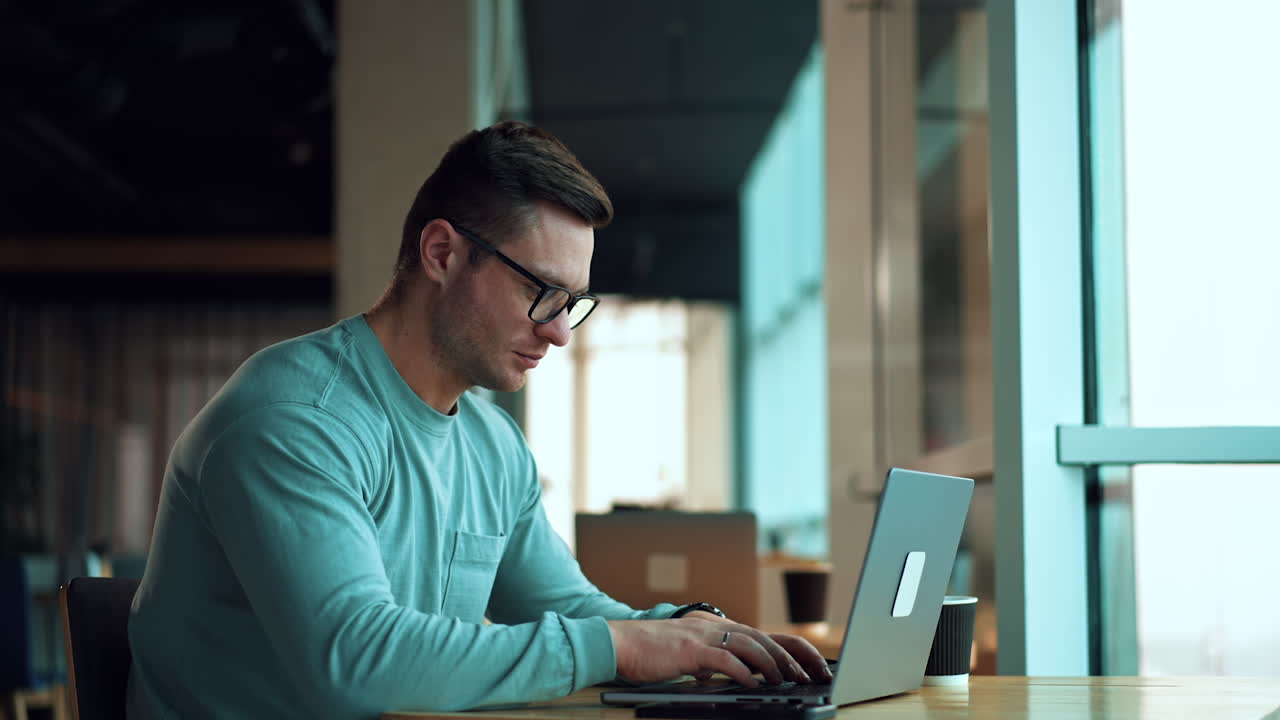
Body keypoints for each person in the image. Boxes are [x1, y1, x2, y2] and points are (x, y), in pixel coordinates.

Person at [127, 121, 830, 719]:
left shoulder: (493, 443)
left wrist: (689, 632)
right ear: (442, 254)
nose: (560, 334)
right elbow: (354, 658)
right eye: (544, 292)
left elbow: (562, 603)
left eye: (573, 303)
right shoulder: (294, 419)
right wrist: (622, 645)